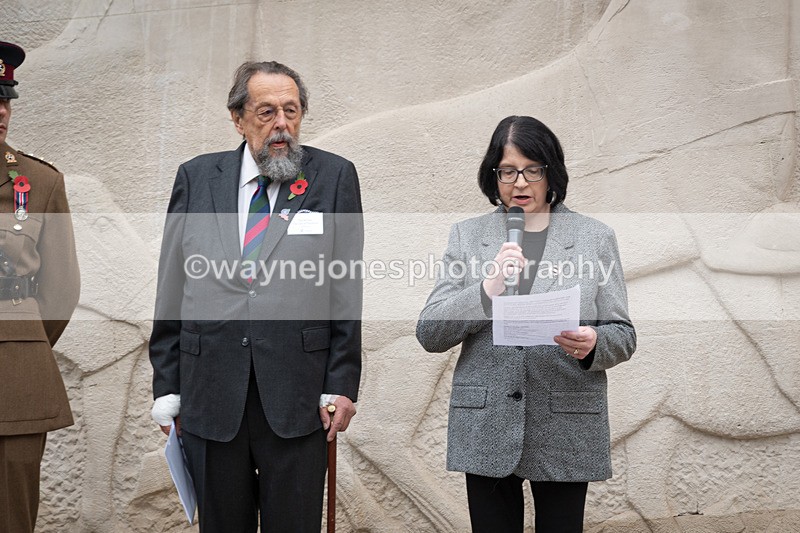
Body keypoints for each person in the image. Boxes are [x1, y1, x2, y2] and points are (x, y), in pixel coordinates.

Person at [149, 61, 363, 532]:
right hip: (210, 392)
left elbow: (345, 290)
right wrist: (167, 385)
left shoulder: (334, 177)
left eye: (291, 110)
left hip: (299, 396)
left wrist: (342, 382)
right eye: (266, 112)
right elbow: (171, 289)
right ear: (238, 118)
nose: (281, 124)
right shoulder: (197, 178)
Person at [416, 116, 636, 532]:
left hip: (566, 416)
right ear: (493, 176)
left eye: (532, 170)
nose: (520, 183)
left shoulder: (594, 237)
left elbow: (623, 335)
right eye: (508, 171)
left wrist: (593, 342)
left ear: (551, 172)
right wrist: (487, 288)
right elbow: (430, 332)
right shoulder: (468, 236)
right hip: (486, 422)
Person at [0, 41, 81, 533]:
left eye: (6, 98)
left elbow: (60, 290)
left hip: (13, 383)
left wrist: (18, 340)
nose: (2, 111)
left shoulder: (37, 181)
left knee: (9, 514)